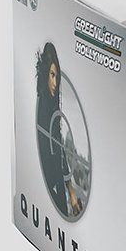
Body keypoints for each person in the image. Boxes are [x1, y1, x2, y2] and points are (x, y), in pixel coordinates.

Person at [36, 42, 81, 217]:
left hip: (57, 184)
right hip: (47, 186)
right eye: (52, 75)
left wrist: (71, 192)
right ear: (45, 74)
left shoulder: (53, 109)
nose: (55, 83)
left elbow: (59, 149)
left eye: (57, 77)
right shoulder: (41, 108)